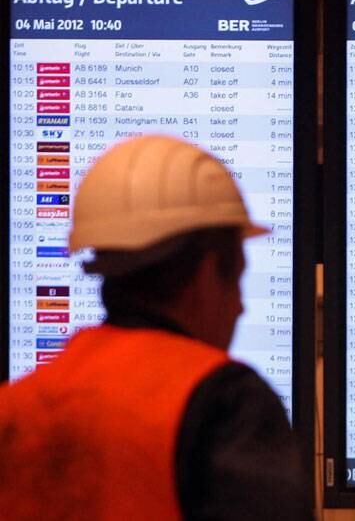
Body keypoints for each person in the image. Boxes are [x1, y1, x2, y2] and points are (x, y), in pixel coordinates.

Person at [0, 135, 312, 520]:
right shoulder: (225, 404)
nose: (239, 307)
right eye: (237, 281)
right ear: (206, 273)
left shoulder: (15, 408)